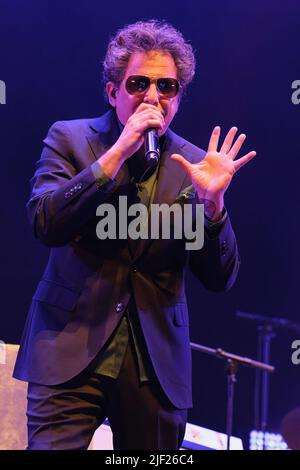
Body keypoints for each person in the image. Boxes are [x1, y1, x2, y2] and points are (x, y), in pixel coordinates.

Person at [13, 20, 256, 450]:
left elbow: (220, 279)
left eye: (167, 87)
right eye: (139, 83)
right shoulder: (70, 139)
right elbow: (45, 222)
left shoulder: (195, 166)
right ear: (113, 92)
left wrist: (213, 207)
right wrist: (115, 156)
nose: (153, 97)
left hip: (154, 366)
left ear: (178, 99)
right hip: (69, 347)